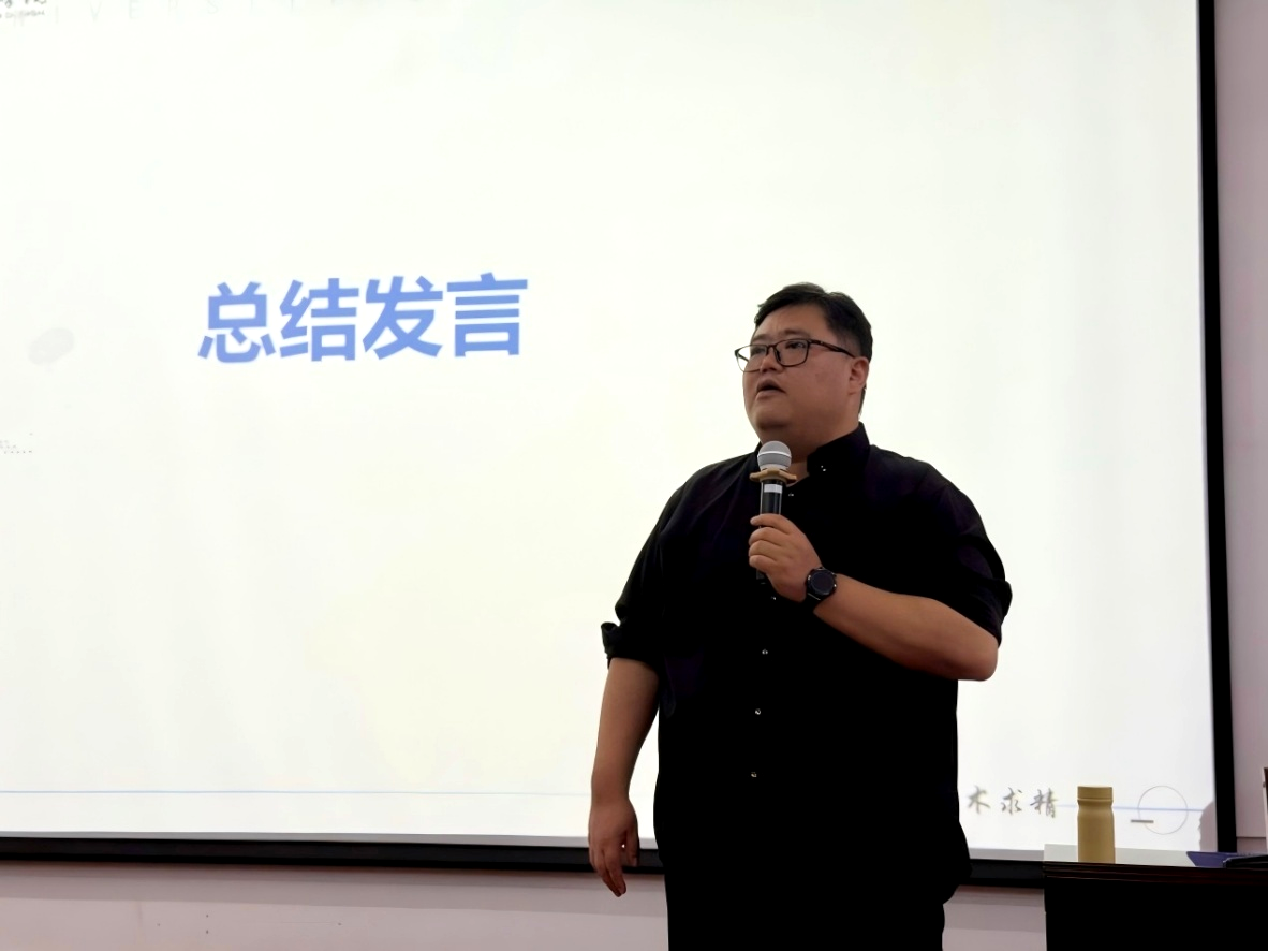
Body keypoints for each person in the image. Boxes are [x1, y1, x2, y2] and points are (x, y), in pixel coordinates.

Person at [587, 282, 1012, 949]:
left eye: (793, 347)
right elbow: (639, 647)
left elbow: (973, 647)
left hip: (869, 877)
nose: (766, 364)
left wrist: (818, 585)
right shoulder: (698, 501)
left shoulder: (919, 499)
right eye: (756, 351)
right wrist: (608, 791)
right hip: (715, 872)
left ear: (856, 371)